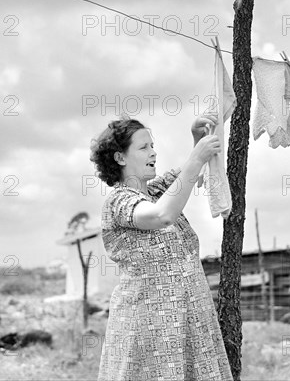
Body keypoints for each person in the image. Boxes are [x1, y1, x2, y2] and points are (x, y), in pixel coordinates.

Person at [90, 115, 233, 381]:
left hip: (184, 324)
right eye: (143, 147)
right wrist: (198, 157)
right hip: (150, 328)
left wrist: (197, 140)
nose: (153, 152)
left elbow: (187, 177)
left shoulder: (154, 192)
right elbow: (161, 215)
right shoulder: (119, 202)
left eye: (152, 146)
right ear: (120, 158)